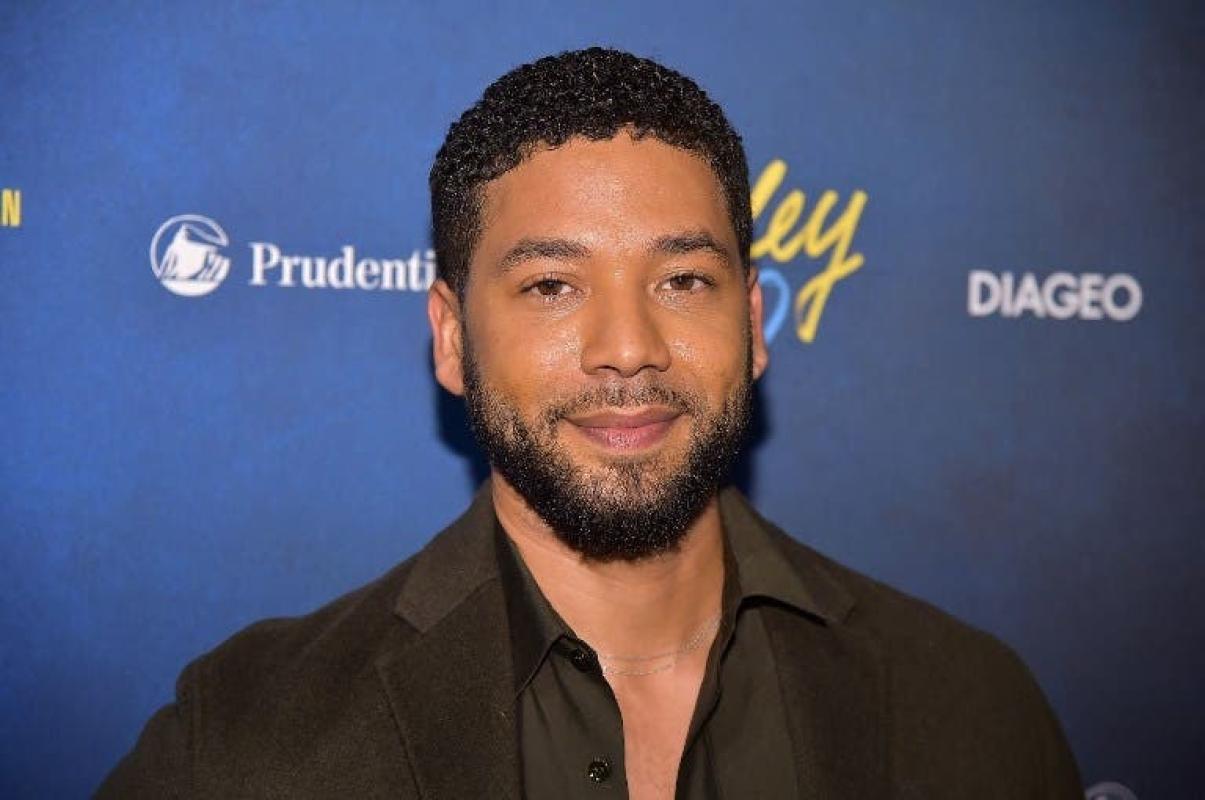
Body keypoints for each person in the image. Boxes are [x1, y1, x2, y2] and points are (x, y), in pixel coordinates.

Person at [100, 47, 1083, 799]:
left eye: (682, 279)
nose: (627, 348)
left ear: (751, 323)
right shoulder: (245, 742)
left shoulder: (973, 711)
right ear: (450, 339)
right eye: (551, 285)